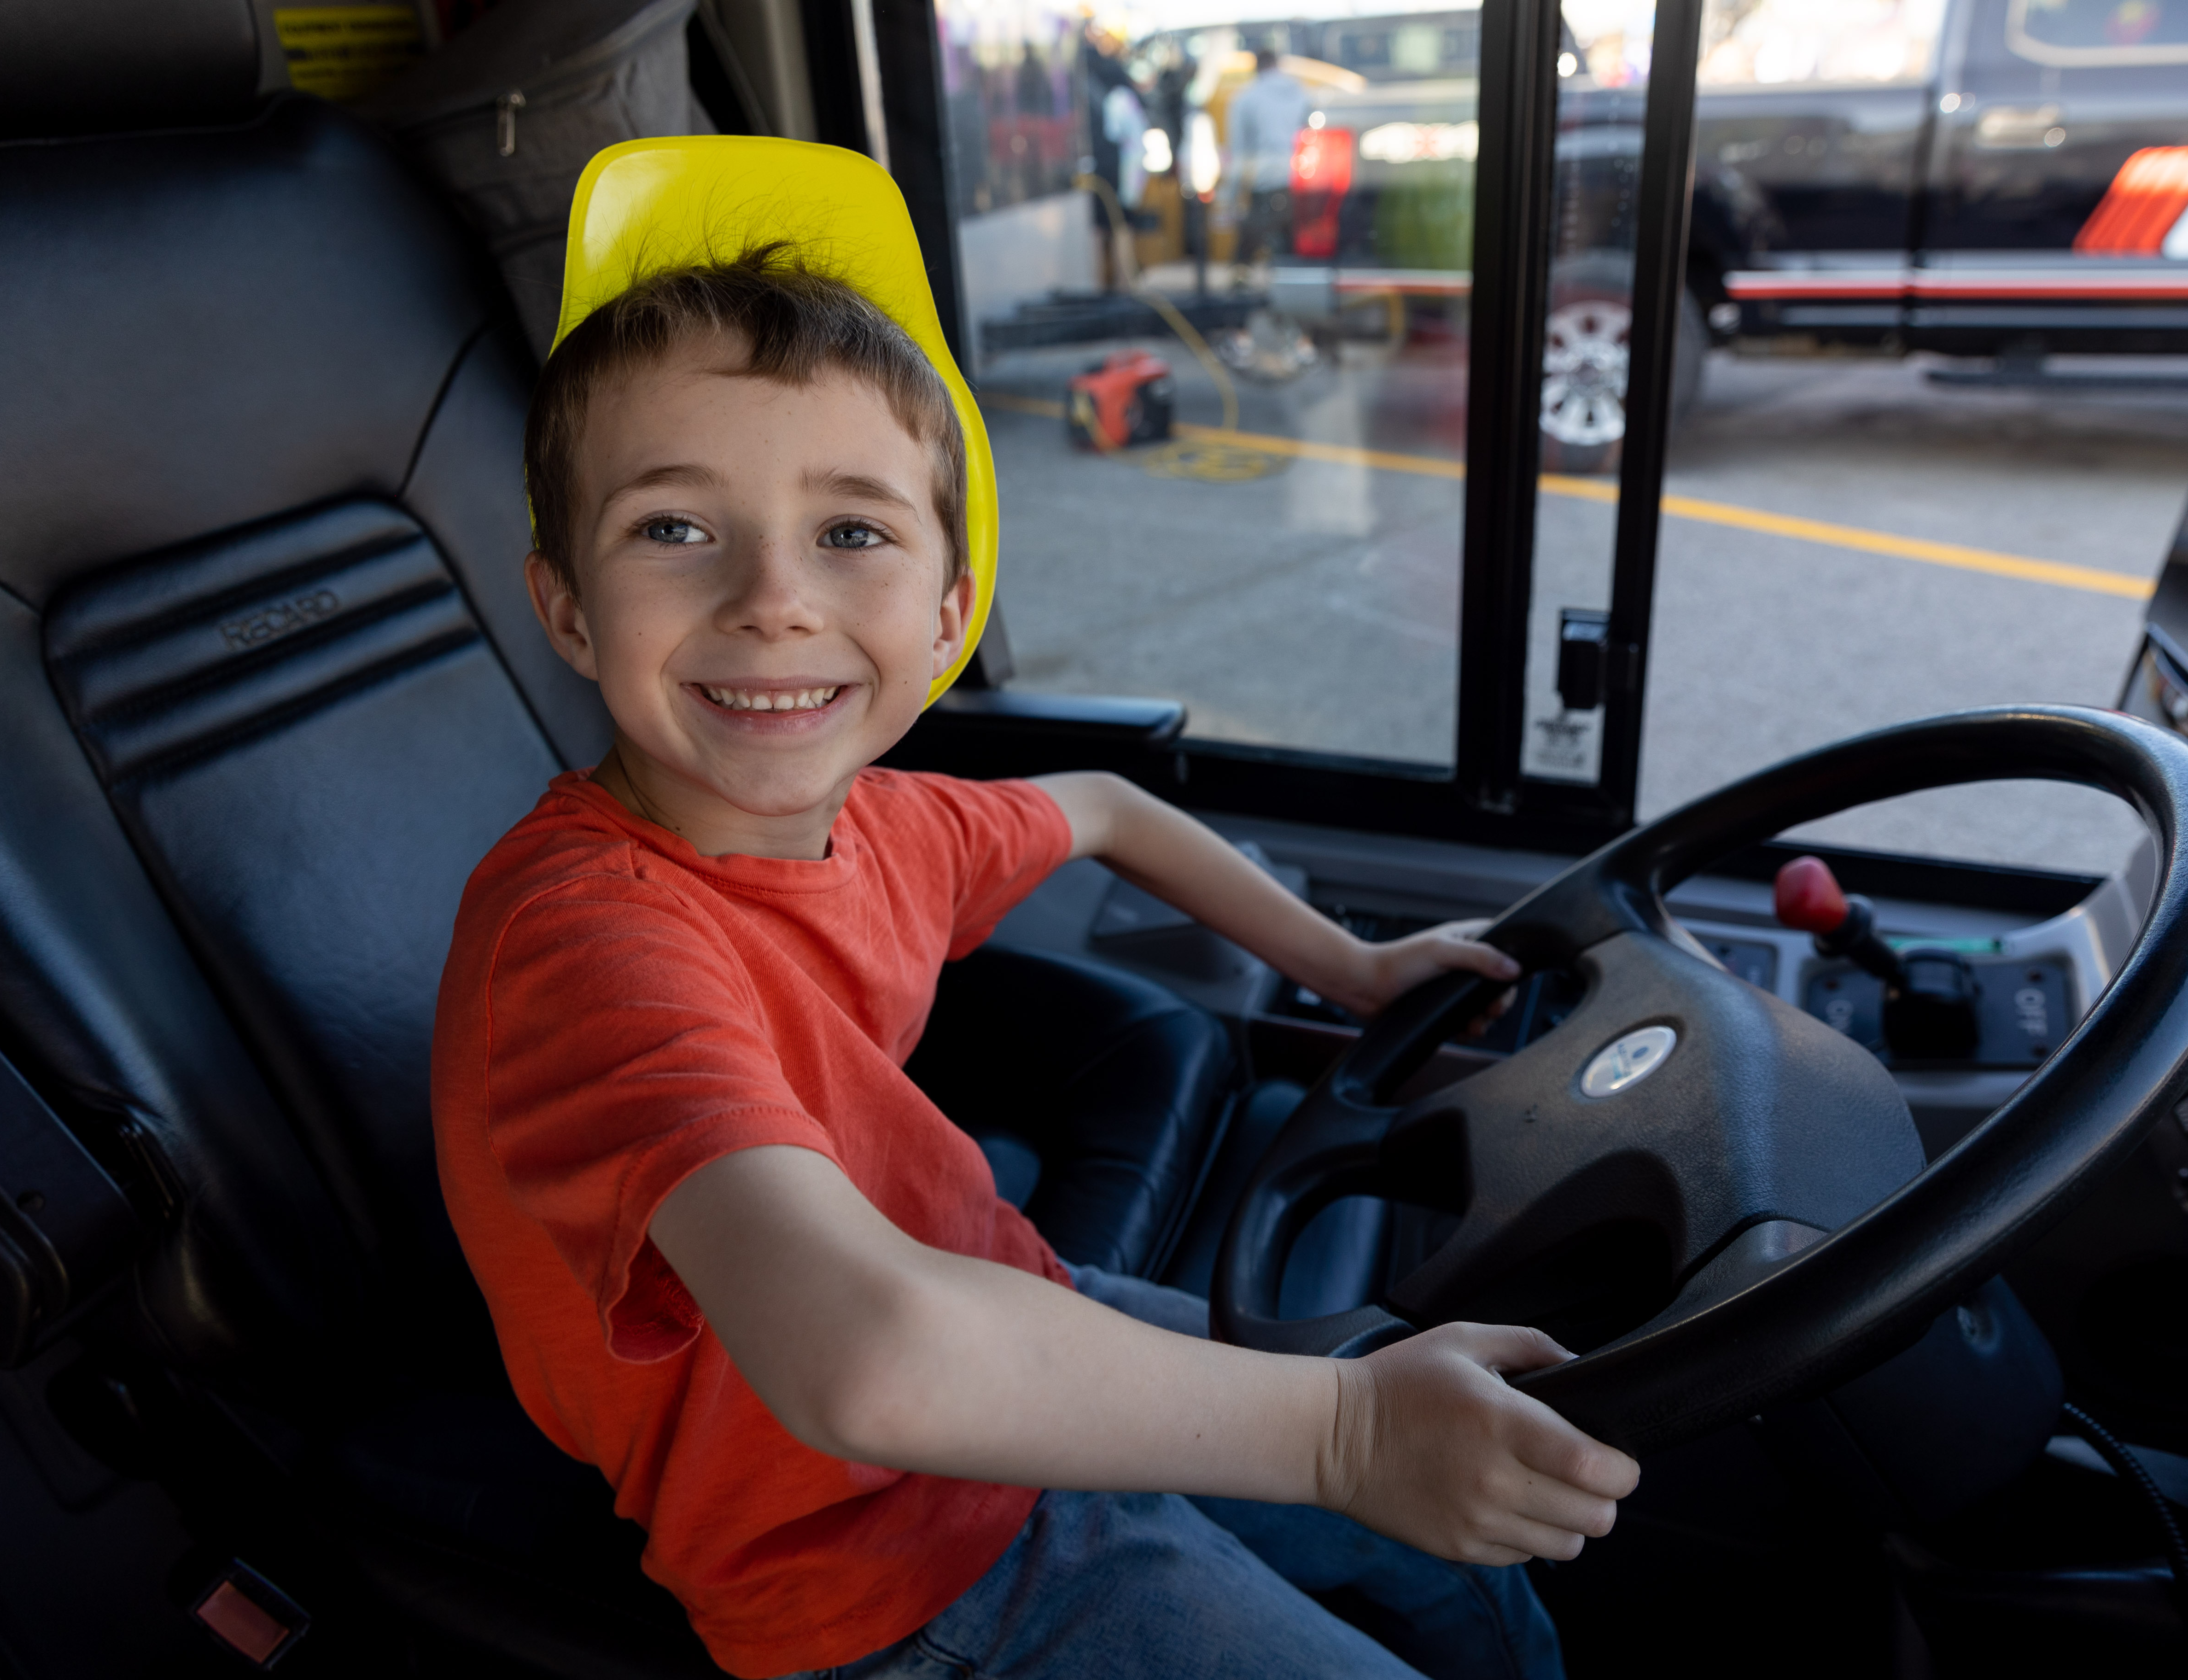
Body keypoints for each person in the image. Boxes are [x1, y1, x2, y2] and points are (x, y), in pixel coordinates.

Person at [433, 228, 1636, 1680]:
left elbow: (1110, 810)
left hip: (1012, 1299)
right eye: (674, 529)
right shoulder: (585, 948)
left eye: (853, 531)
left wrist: (1355, 969)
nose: (774, 597)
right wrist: (1348, 1430)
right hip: (871, 1555)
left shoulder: (888, 823)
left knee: (1463, 1562)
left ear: (950, 613)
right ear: (566, 604)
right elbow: (866, 1360)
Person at [1226, 45, 1313, 275]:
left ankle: (1240, 283)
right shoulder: (1303, 94)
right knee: (1294, 250)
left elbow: (1238, 149)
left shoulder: (1246, 98)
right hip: (1301, 180)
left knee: (1248, 246)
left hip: (1266, 180)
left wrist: (1232, 195)